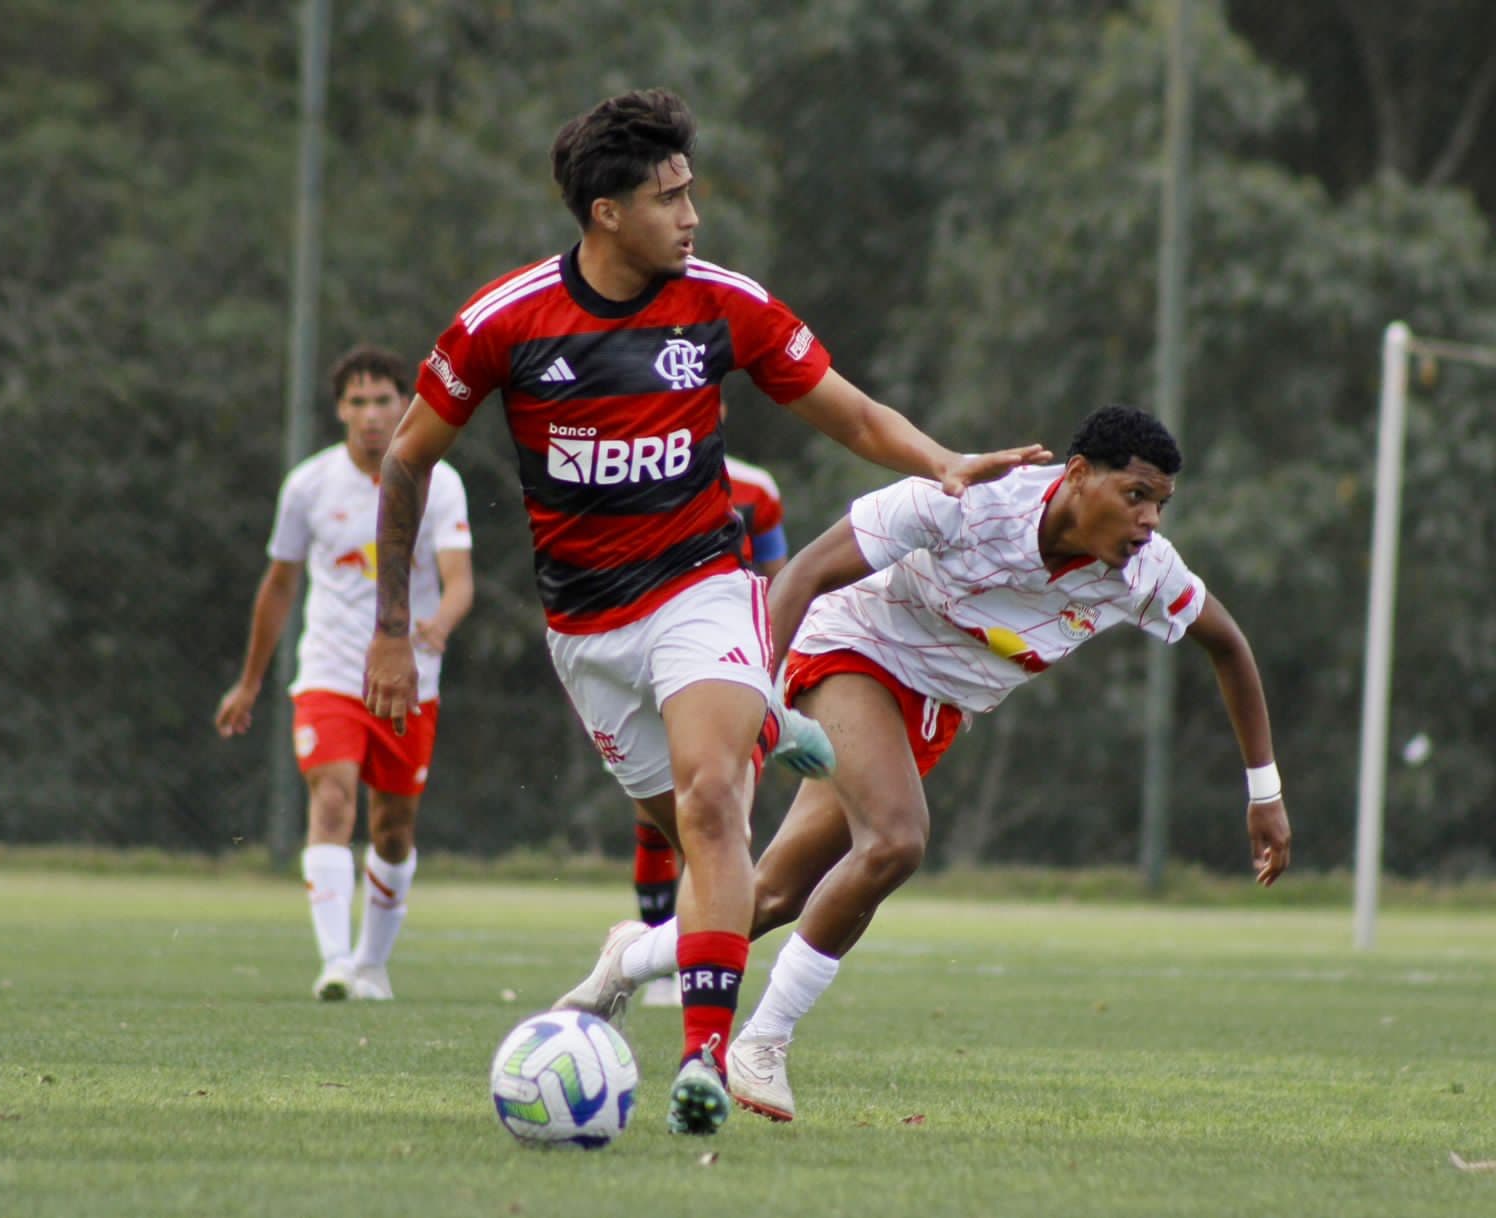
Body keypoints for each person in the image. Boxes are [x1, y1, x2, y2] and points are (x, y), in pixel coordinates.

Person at [361, 88, 1047, 1135]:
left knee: (714, 803)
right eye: (668, 197)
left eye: (692, 193)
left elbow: (851, 412)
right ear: (604, 213)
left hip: (703, 590)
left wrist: (945, 461)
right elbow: (406, 459)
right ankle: (768, 722)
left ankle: (703, 1056)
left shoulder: (721, 303)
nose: (691, 216)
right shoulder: (503, 323)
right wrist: (389, 630)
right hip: (584, 634)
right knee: (672, 822)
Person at [559, 405, 1294, 1123]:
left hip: (930, 713)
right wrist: (754, 704)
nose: (1150, 522)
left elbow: (1228, 645)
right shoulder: (968, 504)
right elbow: (805, 572)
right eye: (1136, 496)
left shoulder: (1144, 573)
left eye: (1161, 505)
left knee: (773, 896)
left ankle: (628, 960)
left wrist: (1265, 792)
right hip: (850, 651)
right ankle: (762, 1044)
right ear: (1076, 476)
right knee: (896, 840)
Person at [216, 344, 474, 1002]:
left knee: (392, 828)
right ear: (339, 409)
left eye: (383, 400)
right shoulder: (309, 484)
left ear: (405, 405)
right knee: (332, 799)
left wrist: (439, 625)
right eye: (356, 401)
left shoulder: (437, 481)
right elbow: (279, 586)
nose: (370, 415)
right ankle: (334, 963)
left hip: (410, 682)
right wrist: (249, 682)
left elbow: (459, 580)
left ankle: (370, 964)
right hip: (330, 673)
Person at [634, 442, 791, 1009]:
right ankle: (658, 963)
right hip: (656, 642)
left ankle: (686, 972)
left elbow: (779, 580)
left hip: (728, 653)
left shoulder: (758, 488)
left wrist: (775, 669)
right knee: (663, 813)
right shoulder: (641, 465)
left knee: (719, 813)